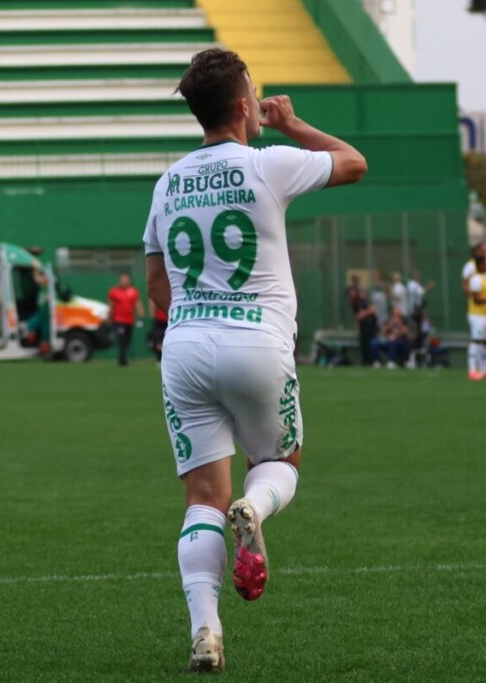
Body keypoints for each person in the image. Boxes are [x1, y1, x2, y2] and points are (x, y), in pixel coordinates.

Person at [142, 48, 366, 672]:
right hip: (258, 344)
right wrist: (293, 122)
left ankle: (206, 629)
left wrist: (193, 323)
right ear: (244, 106)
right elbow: (354, 163)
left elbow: (157, 288)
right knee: (278, 464)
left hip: (184, 348)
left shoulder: (167, 183)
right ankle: (256, 507)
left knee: (201, 501)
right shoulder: (269, 164)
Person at [466, 256, 486, 380]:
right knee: (476, 340)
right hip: (477, 315)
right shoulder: (476, 280)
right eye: (485, 264)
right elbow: (476, 299)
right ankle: (473, 369)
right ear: (479, 266)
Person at [108, 273, 144, 367]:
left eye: (126, 279)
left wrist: (140, 317)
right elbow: (111, 306)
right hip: (119, 320)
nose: (125, 281)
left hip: (129, 320)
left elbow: (138, 304)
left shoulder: (133, 291)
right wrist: (109, 317)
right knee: (121, 338)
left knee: (127, 340)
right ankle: (122, 358)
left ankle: (123, 357)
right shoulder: (114, 291)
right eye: (123, 279)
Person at [348, 274, 378, 365]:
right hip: (363, 322)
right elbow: (359, 315)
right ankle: (366, 360)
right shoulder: (355, 299)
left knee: (370, 341)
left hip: (369, 321)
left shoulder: (363, 296)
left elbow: (371, 309)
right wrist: (362, 315)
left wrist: (365, 313)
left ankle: (372, 360)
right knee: (364, 342)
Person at [148, 299, 168, 364]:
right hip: (160, 320)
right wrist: (153, 318)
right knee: (159, 341)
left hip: (171, 319)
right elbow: (152, 302)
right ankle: (159, 358)